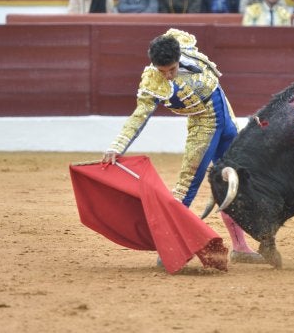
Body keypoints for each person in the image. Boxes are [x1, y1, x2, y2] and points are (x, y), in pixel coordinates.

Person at [102, 28, 265, 264]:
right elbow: (139, 116)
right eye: (163, 71)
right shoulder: (153, 80)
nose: (168, 75)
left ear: (178, 57)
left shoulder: (182, 43)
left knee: (233, 181)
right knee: (187, 187)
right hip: (203, 126)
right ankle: (170, 247)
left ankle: (240, 247)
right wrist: (117, 146)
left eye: (172, 69)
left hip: (226, 116)